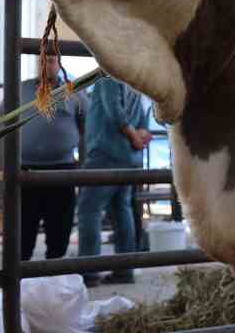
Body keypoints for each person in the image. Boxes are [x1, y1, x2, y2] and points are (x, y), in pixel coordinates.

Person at [9, 53, 85, 262]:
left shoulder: (74, 91)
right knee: (23, 229)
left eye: (50, 61)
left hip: (61, 170)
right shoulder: (21, 89)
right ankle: (20, 282)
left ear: (59, 64)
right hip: (25, 171)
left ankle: (54, 278)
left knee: (59, 230)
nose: (45, 65)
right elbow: (3, 124)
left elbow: (86, 124)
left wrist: (84, 168)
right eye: (42, 61)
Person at [77, 76, 151, 283]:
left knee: (88, 210)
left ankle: (88, 271)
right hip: (129, 156)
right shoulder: (136, 79)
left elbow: (114, 110)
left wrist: (134, 136)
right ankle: (124, 270)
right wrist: (140, 133)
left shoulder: (109, 76)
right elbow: (145, 113)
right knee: (121, 210)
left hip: (105, 152)